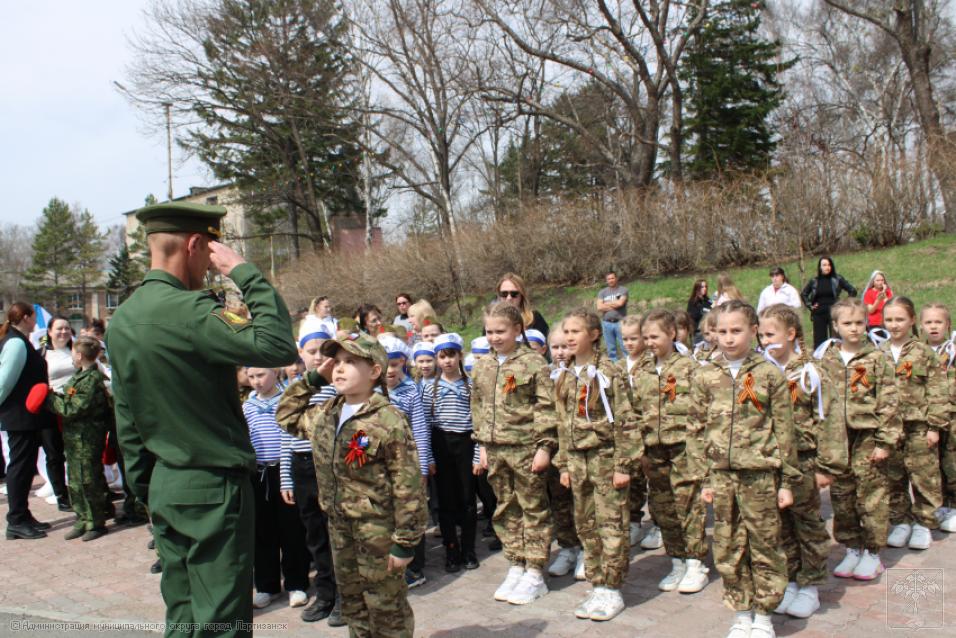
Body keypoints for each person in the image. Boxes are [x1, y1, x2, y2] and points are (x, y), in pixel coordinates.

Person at [108, 201, 298, 638]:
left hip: (165, 484)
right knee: (223, 621)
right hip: (214, 486)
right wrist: (244, 272)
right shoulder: (193, 311)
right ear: (194, 244)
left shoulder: (123, 320)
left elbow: (127, 418)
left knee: (183, 616)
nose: (211, 267)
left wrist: (148, 488)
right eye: (210, 253)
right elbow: (277, 345)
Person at [276, 333, 427, 637]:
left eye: (350, 361)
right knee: (353, 605)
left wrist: (405, 542)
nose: (339, 368)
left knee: (386, 609)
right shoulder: (326, 413)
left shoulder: (388, 420)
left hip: (378, 532)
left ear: (374, 371)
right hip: (339, 528)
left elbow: (408, 487)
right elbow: (286, 414)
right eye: (336, 362)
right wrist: (314, 378)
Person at [688, 300, 800, 638]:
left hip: (759, 475)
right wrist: (704, 478)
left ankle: (764, 613)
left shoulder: (768, 374)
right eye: (721, 331)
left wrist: (787, 481)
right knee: (727, 545)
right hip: (721, 476)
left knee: (765, 544)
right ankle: (741, 611)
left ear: (754, 331)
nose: (728, 338)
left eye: (736, 330)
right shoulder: (705, 374)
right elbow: (696, 429)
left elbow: (784, 430)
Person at [758, 305, 847, 619]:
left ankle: (811, 585)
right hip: (772, 462)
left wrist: (827, 466)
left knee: (807, 524)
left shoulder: (810, 372)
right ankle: (793, 579)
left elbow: (830, 420)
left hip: (805, 461)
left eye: (771, 334)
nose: (765, 340)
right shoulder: (761, 371)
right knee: (782, 526)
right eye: (762, 335)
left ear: (791, 334)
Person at [553, 308, 640, 621]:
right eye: (566, 332)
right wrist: (564, 465)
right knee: (586, 524)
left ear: (593, 334)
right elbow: (562, 423)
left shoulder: (608, 372)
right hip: (578, 463)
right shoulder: (564, 373)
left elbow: (626, 419)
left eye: (575, 331)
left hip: (605, 460)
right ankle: (598, 582)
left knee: (611, 524)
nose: (569, 337)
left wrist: (623, 465)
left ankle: (613, 587)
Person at [472, 302, 556, 605]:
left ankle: (535, 570)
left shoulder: (534, 363)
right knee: (505, 507)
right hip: (495, 450)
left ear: (517, 329)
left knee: (532, 507)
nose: (494, 337)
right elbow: (478, 407)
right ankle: (516, 562)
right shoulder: (482, 365)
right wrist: (482, 445)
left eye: (501, 331)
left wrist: (545, 447)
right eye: (490, 331)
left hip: (525, 449)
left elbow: (546, 407)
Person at [814, 298, 899, 582]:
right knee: (842, 496)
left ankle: (873, 552)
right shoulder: (825, 358)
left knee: (871, 496)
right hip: (836, 440)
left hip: (867, 436)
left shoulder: (877, 358)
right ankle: (852, 547)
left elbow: (889, 400)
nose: (853, 328)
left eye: (859, 322)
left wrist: (885, 441)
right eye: (847, 323)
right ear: (835, 325)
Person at [631, 310, 709, 595]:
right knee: (663, 507)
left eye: (655, 336)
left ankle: (695, 561)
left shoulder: (689, 367)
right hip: (654, 450)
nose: (649, 342)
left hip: (683, 448)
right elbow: (634, 410)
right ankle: (677, 559)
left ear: (672, 334)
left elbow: (702, 409)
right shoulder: (642, 370)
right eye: (646, 337)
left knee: (688, 504)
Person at [280, 315, 341, 625]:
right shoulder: (295, 389)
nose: (318, 357)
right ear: (300, 353)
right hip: (302, 466)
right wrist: (286, 477)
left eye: (323, 350)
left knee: (338, 533)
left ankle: (345, 596)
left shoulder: (339, 385)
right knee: (315, 534)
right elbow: (284, 431)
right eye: (311, 351)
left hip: (333, 466)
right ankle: (326, 594)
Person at [881, 297, 948, 551]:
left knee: (924, 476)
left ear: (911, 320)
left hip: (919, 427)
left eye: (900, 319)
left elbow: (937, 390)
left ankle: (923, 523)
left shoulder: (923, 352)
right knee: (893, 477)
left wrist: (934, 426)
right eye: (889, 319)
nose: (894, 324)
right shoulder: (878, 353)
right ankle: (901, 521)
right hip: (890, 429)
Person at [244, 366, 310, 610]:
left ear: (275, 372)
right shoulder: (248, 406)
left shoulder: (287, 400)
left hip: (285, 471)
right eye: (251, 376)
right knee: (263, 531)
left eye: (261, 375)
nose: (256, 381)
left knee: (291, 529)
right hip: (259, 473)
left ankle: (297, 583)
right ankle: (266, 586)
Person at [422, 333, 480, 573]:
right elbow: (425, 423)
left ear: (460, 356)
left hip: (465, 443)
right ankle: (451, 548)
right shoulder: (429, 388)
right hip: (441, 443)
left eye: (451, 355)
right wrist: (428, 457)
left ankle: (468, 549)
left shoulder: (470, 385)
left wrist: (478, 454)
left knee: (467, 499)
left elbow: (478, 420)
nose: (447, 361)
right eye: (442, 357)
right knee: (445, 500)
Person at [46, 336, 113, 542]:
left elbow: (73, 408)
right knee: (75, 480)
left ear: (80, 355)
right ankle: (82, 518)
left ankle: (95, 522)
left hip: (87, 438)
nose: (72, 356)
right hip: (74, 438)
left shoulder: (91, 380)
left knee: (88, 481)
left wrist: (50, 399)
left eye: (74, 353)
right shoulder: (79, 376)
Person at [379, 336, 433, 588]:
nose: (389, 370)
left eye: (394, 364)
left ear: (403, 363)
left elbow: (420, 431)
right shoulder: (371, 394)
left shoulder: (411, 392)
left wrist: (422, 466)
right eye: (384, 365)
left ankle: (415, 568)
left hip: (406, 464)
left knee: (409, 514)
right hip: (380, 467)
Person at [0, 302, 53, 539]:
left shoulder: (19, 340)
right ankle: (16, 519)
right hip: (18, 416)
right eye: (33, 316)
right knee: (20, 467)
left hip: (25, 416)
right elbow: (4, 382)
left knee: (25, 465)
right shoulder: (15, 343)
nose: (36, 320)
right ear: (26, 318)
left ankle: (23, 514)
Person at [544, 322, 585, 580]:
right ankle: (568, 547)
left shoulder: (582, 374)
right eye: (555, 347)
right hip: (553, 450)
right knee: (559, 503)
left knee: (580, 503)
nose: (560, 352)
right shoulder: (546, 374)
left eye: (565, 346)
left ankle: (586, 550)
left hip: (577, 449)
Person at [920, 303, 956, 533]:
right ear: (921, 325)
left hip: (952, 415)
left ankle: (953, 505)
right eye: (929, 322)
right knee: (930, 464)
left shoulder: (953, 351)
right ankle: (939, 505)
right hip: (927, 416)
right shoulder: (917, 352)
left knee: (951, 462)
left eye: (938, 322)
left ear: (948, 325)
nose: (933, 326)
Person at [619, 314, 652, 549]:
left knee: (653, 478)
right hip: (626, 431)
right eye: (625, 339)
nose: (629, 343)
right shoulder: (619, 366)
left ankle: (659, 524)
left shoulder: (650, 363)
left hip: (647, 429)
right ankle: (633, 522)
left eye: (634, 338)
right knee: (633, 479)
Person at [801, 256, 858, 348]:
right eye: (824, 265)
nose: (827, 267)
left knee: (837, 341)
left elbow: (852, 291)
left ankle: (838, 355)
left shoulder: (838, 279)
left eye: (829, 265)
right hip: (819, 314)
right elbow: (804, 294)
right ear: (820, 267)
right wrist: (810, 306)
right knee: (820, 343)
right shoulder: (814, 281)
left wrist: (844, 305)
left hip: (834, 313)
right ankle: (821, 356)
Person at [496, 273, 550, 337]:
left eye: (514, 293)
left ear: (522, 295)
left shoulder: (534, 318)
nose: (509, 298)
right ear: (499, 296)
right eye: (504, 294)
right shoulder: (491, 321)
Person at [596, 271, 628, 362]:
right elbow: (599, 307)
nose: (611, 280)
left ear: (616, 278)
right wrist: (614, 304)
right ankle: (614, 366)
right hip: (607, 323)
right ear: (606, 280)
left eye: (612, 278)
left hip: (620, 323)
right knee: (611, 348)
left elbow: (620, 303)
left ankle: (628, 364)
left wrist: (606, 304)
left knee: (625, 346)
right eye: (609, 279)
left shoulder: (623, 290)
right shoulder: (602, 292)